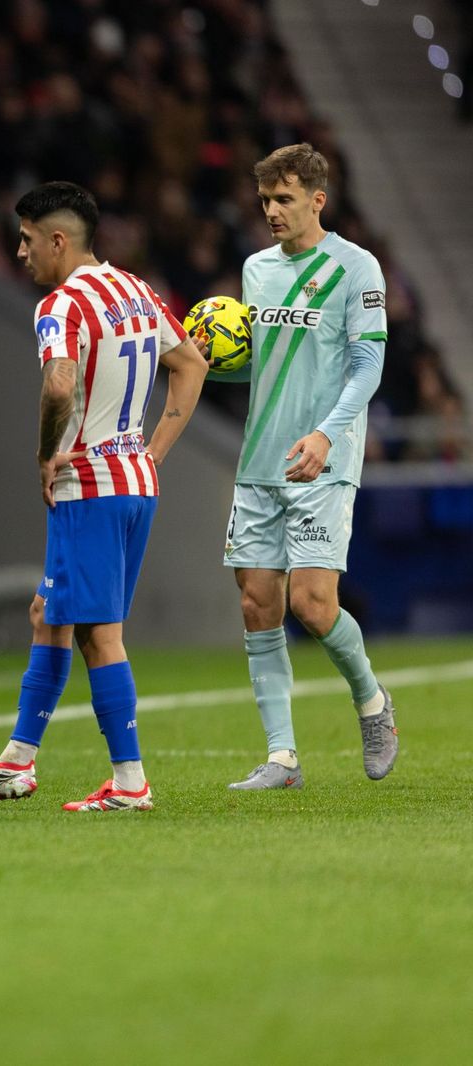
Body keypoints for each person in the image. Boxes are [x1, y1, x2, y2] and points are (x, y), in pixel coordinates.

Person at [0, 181, 207, 813]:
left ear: (58, 240)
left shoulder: (60, 305)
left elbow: (60, 384)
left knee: (98, 634)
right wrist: (151, 454)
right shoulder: (139, 292)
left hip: (87, 485)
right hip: (135, 485)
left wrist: (44, 453)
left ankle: (129, 781)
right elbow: (192, 363)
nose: (20, 252)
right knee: (49, 613)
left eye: (28, 240)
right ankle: (17, 761)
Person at [211, 144, 396, 790]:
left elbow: (368, 367)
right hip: (261, 460)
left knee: (315, 605)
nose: (272, 212)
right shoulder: (256, 269)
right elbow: (265, 361)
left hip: (323, 460)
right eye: (265, 200)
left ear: (318, 199)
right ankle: (282, 758)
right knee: (259, 603)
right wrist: (217, 354)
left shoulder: (356, 269)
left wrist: (325, 435)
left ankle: (372, 701)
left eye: (284, 199)